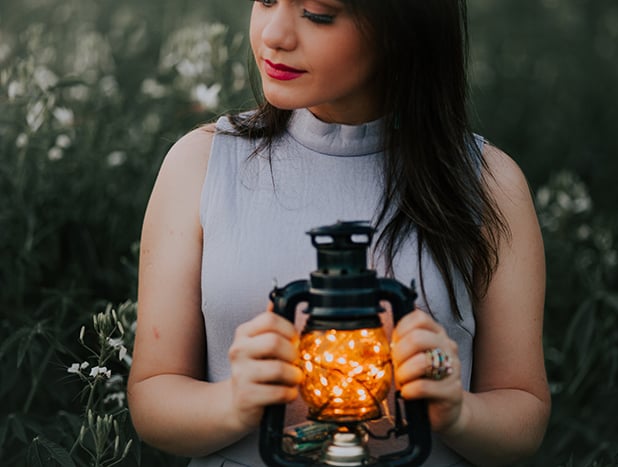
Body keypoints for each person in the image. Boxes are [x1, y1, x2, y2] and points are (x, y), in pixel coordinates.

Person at [127, 0, 551, 465]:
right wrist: (234, 402)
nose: (275, 35)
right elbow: (152, 398)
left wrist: (458, 411)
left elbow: (523, 413)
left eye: (317, 14)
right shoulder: (202, 164)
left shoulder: (489, 184)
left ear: (402, 28)